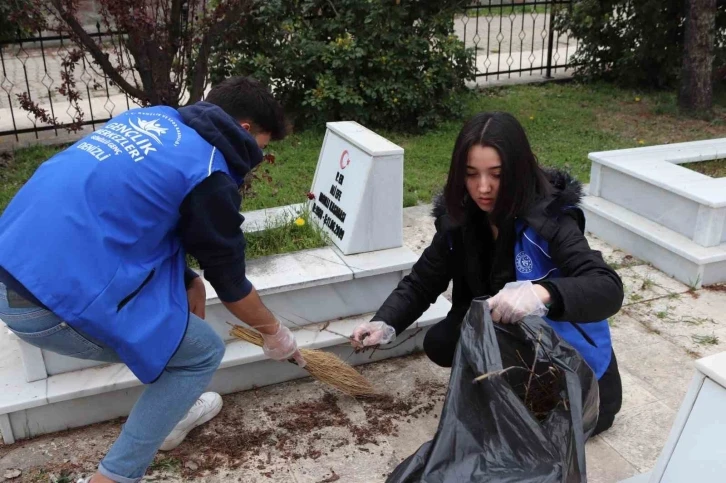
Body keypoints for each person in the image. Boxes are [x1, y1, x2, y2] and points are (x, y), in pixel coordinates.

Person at [0, 76, 306, 483]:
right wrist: (274, 332)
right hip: (49, 305)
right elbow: (232, 285)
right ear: (245, 129)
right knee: (200, 354)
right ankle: (113, 478)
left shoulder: (153, 119)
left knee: (180, 306)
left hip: (14, 267)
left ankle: (174, 412)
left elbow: (130, 207)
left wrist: (186, 278)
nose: (254, 159)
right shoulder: (210, 170)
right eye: (260, 148)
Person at [351, 111, 624, 436]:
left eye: (497, 174)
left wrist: (542, 293)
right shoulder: (461, 220)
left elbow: (607, 287)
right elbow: (423, 280)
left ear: (518, 170)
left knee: (544, 434)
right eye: (471, 174)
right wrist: (386, 321)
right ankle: (504, 385)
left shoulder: (551, 222)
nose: (483, 188)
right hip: (514, 336)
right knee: (441, 342)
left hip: (574, 364)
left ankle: (521, 390)